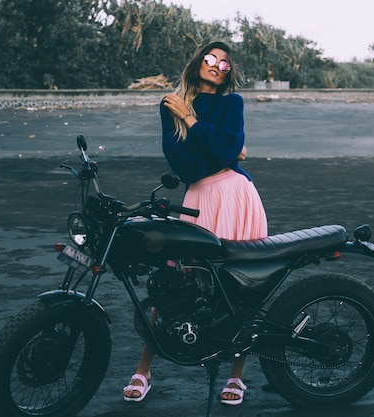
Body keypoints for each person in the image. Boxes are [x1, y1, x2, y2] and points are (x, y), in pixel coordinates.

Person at [123, 41, 268, 406]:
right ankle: (143, 369)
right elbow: (186, 166)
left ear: (229, 72)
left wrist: (191, 121)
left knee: (242, 287)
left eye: (224, 62)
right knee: (175, 282)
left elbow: (219, 152)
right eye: (210, 58)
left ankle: (237, 375)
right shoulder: (169, 103)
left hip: (237, 194)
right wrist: (224, 148)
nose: (216, 65)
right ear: (197, 62)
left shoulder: (231, 104)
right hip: (199, 198)